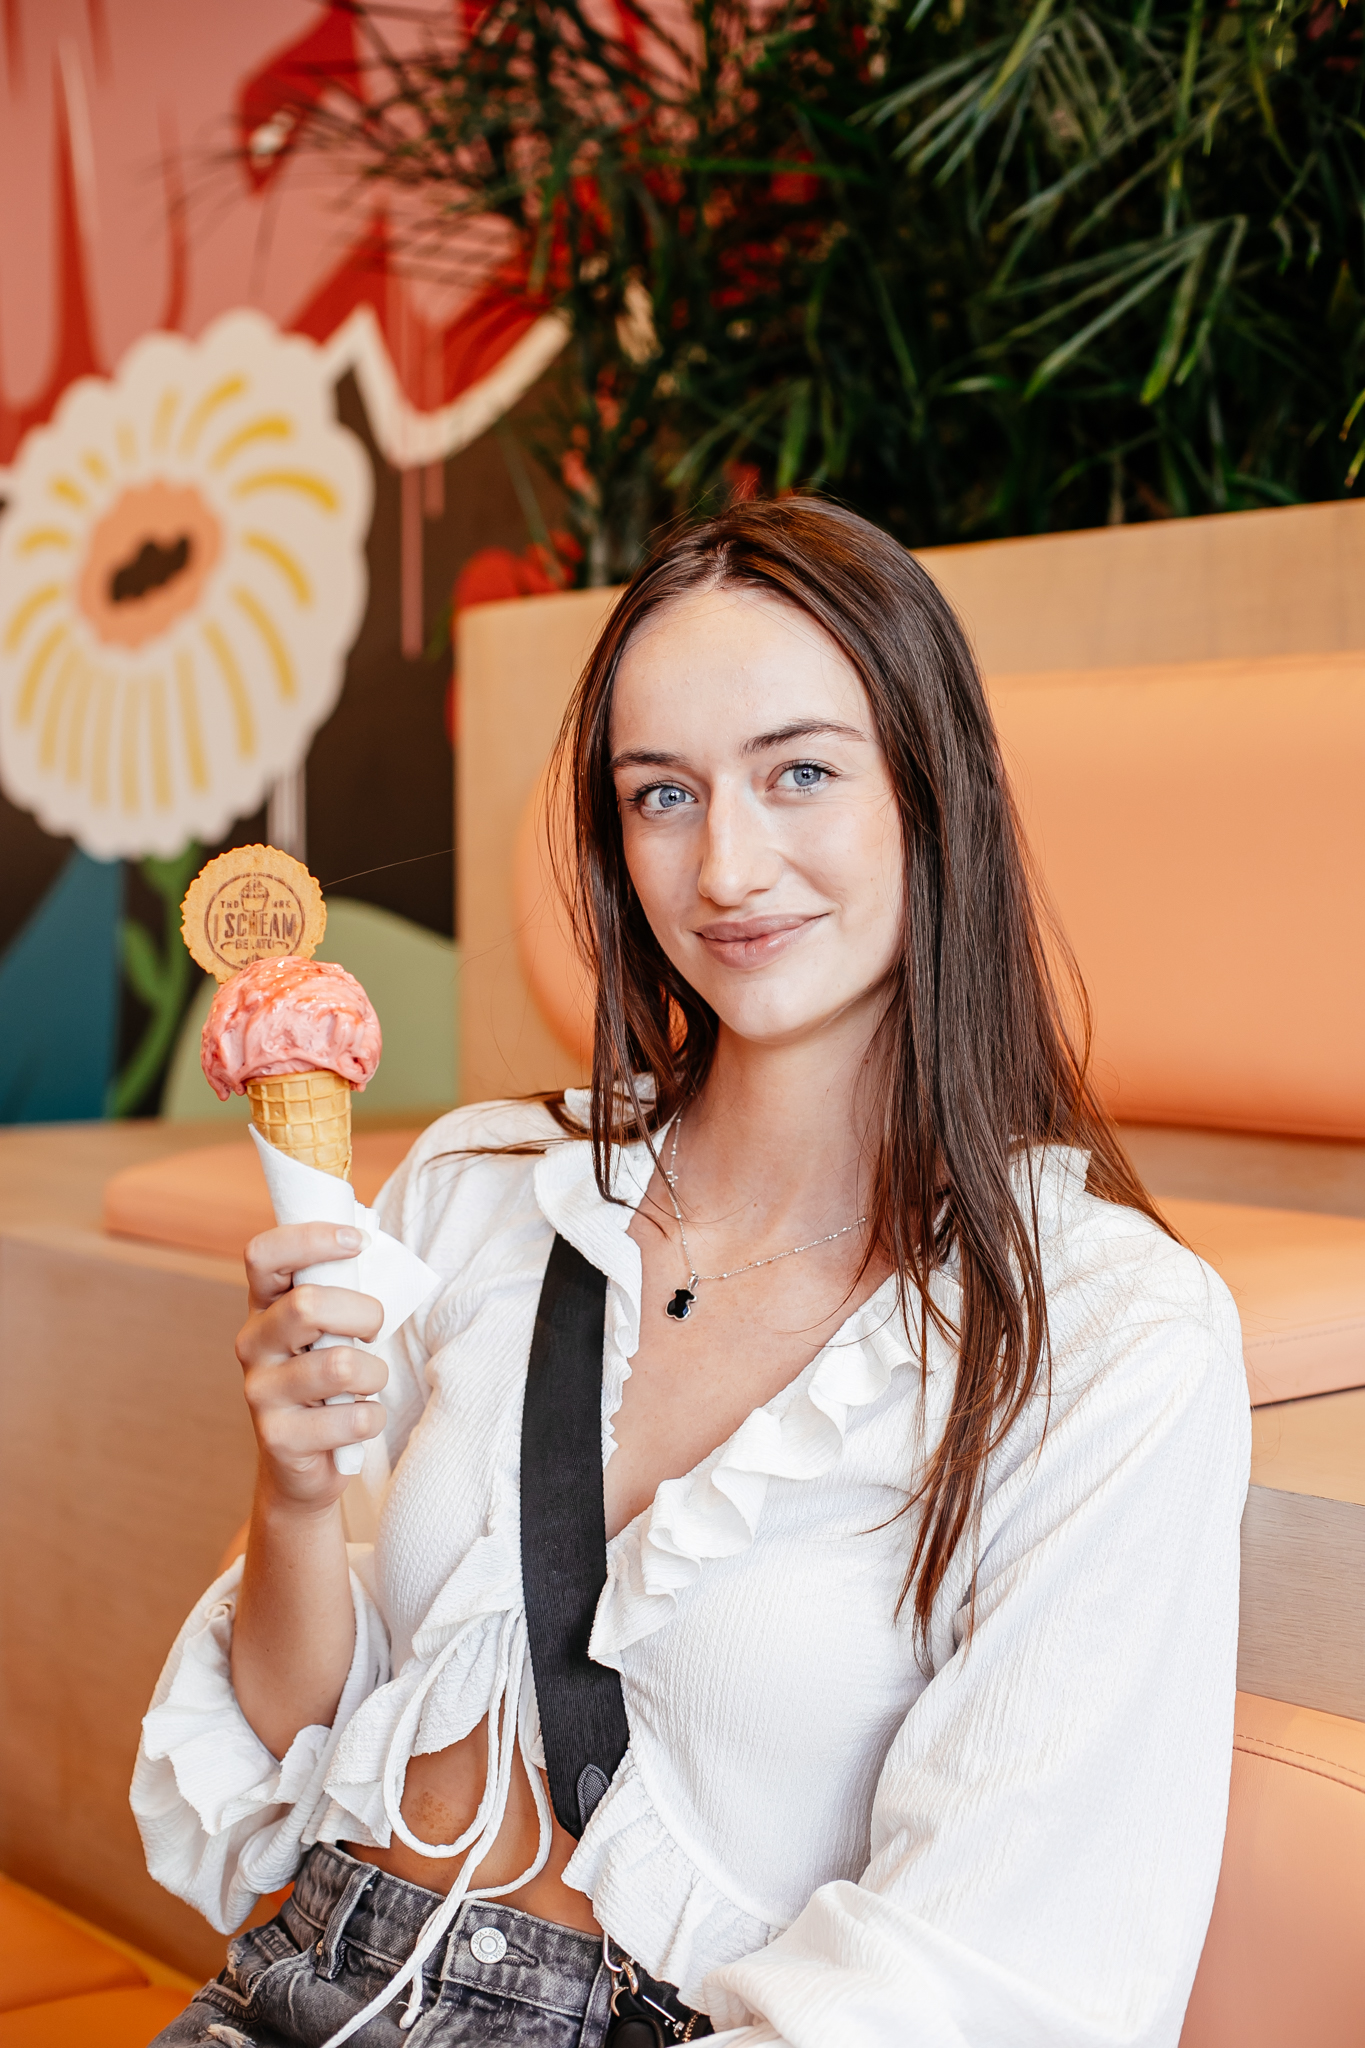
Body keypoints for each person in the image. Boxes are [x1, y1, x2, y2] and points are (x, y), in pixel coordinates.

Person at [135, 497, 1249, 2048]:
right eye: (662, 795)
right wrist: (298, 1496)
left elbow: (993, 1977)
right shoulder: (481, 1193)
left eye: (799, 772)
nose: (727, 866)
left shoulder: (1107, 1339)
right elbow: (270, 1766)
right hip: (284, 1986)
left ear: (933, 792)